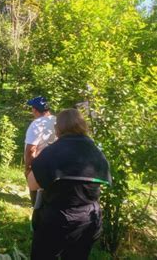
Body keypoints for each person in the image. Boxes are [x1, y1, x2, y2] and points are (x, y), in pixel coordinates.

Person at [27, 109, 111, 260]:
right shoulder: (96, 151)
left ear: (58, 128)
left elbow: (32, 184)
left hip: (58, 219)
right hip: (90, 218)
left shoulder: (52, 151)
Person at [24, 96, 56, 205]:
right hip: (58, 167)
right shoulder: (57, 121)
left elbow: (31, 150)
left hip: (39, 166)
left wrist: (28, 168)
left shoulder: (37, 124)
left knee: (38, 202)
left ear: (34, 109)